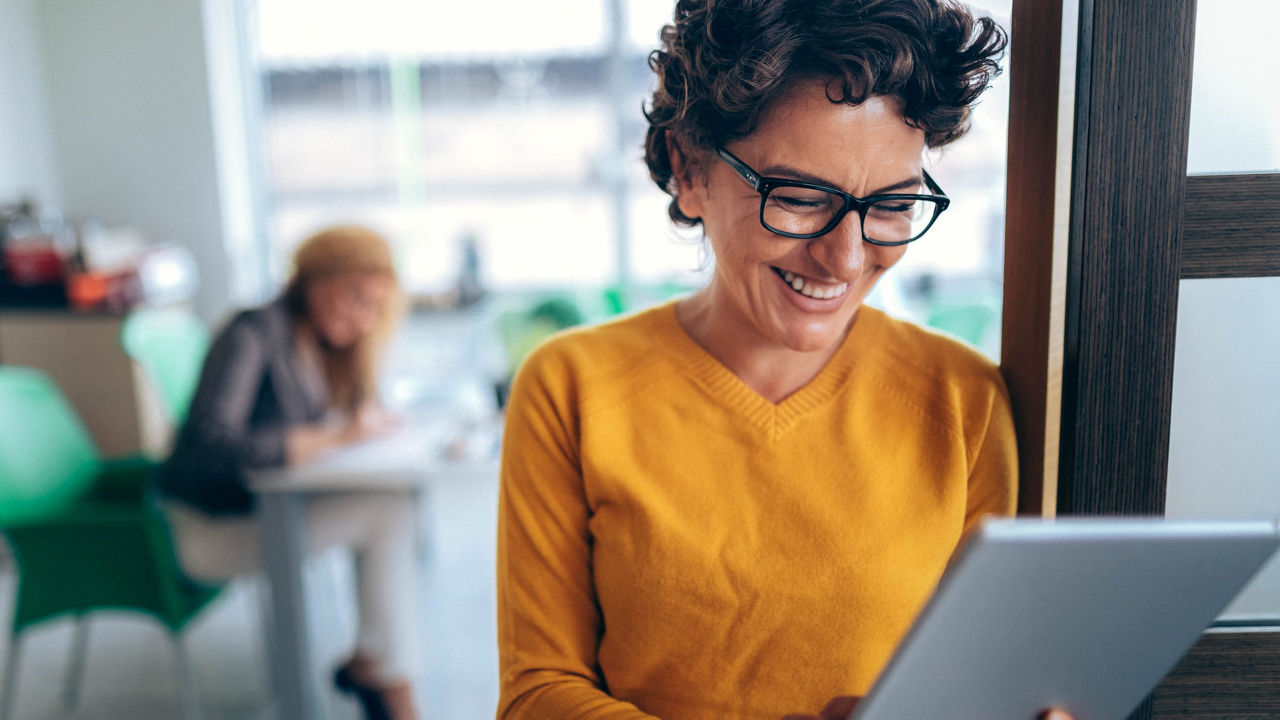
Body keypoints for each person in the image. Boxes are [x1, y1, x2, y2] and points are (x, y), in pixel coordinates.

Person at [496, 2, 1076, 719]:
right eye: (800, 197)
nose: (847, 259)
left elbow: (991, 685)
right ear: (688, 168)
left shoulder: (963, 400)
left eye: (891, 206)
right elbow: (537, 693)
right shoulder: (572, 387)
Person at [156, 225, 422, 720]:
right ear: (317, 281)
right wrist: (334, 438)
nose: (364, 319)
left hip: (268, 515)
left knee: (392, 502)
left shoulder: (318, 342)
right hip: (210, 530)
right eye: (356, 299)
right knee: (388, 512)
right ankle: (386, 680)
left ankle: (376, 664)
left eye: (374, 307)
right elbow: (210, 451)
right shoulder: (251, 334)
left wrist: (357, 421)